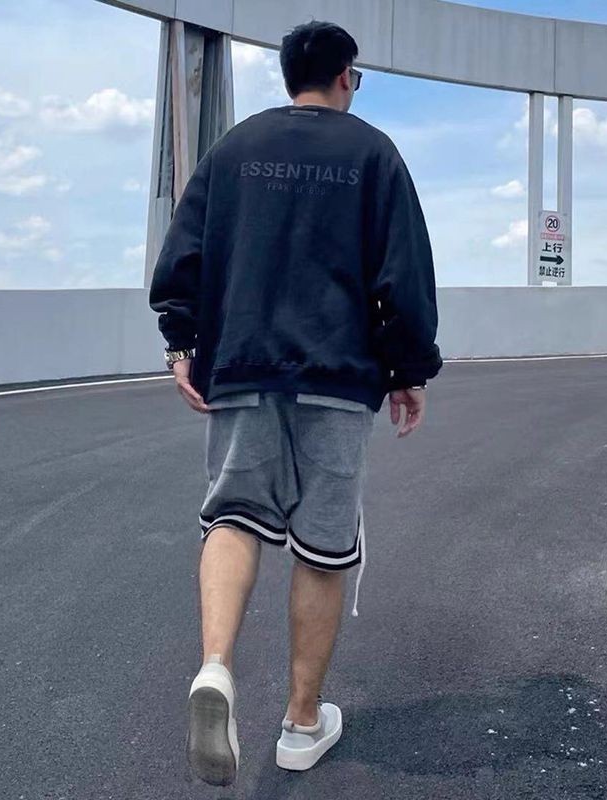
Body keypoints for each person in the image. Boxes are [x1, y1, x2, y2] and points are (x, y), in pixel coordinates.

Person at [148, 19, 442, 786]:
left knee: (233, 516)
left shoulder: (234, 149)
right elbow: (402, 274)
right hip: (337, 377)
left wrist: (181, 343)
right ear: (345, 76)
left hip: (242, 365)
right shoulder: (374, 153)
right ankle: (302, 723)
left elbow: (184, 256)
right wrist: (408, 368)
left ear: (288, 77)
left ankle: (216, 667)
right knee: (322, 544)